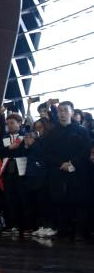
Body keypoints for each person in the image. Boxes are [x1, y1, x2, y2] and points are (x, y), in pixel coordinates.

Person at [42, 101, 92, 240]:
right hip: (58, 171)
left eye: (65, 110)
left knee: (79, 202)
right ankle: (63, 230)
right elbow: (46, 153)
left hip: (77, 171)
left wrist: (72, 162)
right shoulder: (51, 133)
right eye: (60, 111)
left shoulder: (81, 130)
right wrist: (61, 163)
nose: (62, 113)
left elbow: (86, 150)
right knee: (60, 201)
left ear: (72, 112)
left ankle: (80, 232)